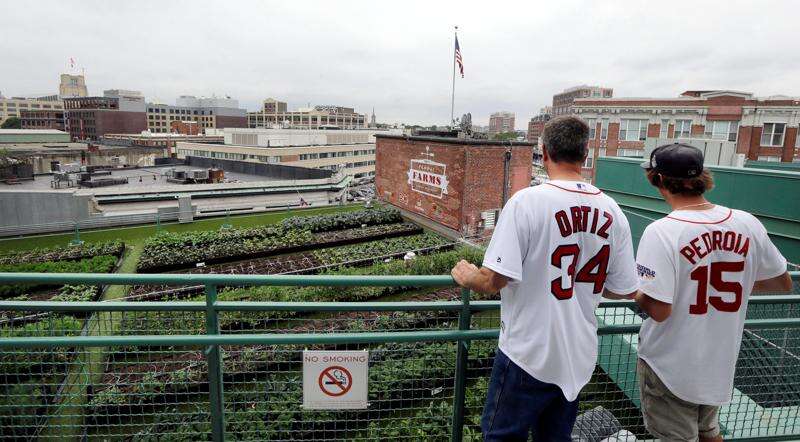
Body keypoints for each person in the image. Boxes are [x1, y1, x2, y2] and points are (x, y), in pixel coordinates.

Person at [451, 116, 639, 440]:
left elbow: (493, 280)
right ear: (585, 155)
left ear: (544, 151)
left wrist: (468, 277)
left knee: (500, 437)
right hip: (577, 356)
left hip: (528, 353)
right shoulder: (613, 211)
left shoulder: (527, 201)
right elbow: (623, 290)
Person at [634, 143, 793, 441]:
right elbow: (781, 282)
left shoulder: (663, 231)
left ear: (658, 180)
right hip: (717, 362)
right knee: (708, 432)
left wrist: (636, 292)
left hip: (670, 365)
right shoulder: (747, 223)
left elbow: (659, 309)